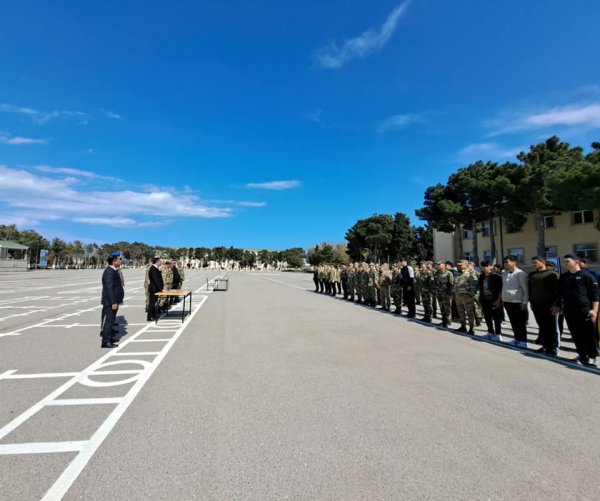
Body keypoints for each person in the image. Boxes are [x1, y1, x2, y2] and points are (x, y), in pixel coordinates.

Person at [554, 255, 599, 367]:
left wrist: (594, 310)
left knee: (588, 334)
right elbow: (559, 293)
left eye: (568, 261)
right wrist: (557, 305)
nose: (565, 263)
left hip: (585, 310)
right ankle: (582, 355)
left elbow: (595, 295)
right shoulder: (564, 277)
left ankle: (592, 356)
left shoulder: (587, 276)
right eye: (564, 262)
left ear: (577, 262)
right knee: (576, 334)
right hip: (569, 310)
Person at [529, 256, 559, 356]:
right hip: (536, 304)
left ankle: (553, 347)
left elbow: (557, 291)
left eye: (536, 262)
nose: (534, 265)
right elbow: (531, 289)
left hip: (548, 304)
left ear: (543, 262)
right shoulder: (532, 275)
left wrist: (556, 304)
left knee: (551, 327)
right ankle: (545, 345)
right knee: (542, 326)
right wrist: (532, 302)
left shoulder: (552, 274)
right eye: (533, 263)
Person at [501, 255, 529, 348]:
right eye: (504, 262)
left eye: (507, 262)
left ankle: (523, 341)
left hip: (518, 302)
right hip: (507, 301)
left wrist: (524, 302)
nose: (505, 264)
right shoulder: (504, 274)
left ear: (514, 262)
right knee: (513, 322)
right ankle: (517, 339)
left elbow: (525, 289)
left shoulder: (520, 274)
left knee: (520, 323)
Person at [100, 255, 124, 348]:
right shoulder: (109, 272)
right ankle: (105, 341)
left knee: (111, 320)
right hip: (110, 301)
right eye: (119, 260)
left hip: (114, 300)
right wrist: (113, 302)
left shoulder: (113, 270)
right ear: (114, 261)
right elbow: (109, 288)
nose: (120, 261)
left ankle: (109, 337)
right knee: (109, 321)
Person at [478, 260, 503, 341]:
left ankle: (498, 334)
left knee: (496, 318)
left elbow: (500, 290)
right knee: (487, 317)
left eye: (486, 266)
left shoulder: (496, 276)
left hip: (494, 299)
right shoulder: (481, 276)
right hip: (485, 299)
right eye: (483, 266)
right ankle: (490, 332)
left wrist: (498, 300)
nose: (485, 268)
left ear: (490, 266)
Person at [454, 260, 479, 334]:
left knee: (470, 313)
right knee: (461, 312)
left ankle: (471, 328)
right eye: (458, 265)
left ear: (466, 265)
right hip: (458, 296)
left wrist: (471, 295)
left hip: (467, 297)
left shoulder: (470, 273)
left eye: (461, 265)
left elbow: (475, 285)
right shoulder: (458, 273)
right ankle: (463, 326)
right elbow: (455, 285)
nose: (459, 266)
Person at [434, 260, 454, 328]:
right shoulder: (437, 273)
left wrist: (450, 294)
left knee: (447, 308)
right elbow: (435, 283)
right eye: (438, 264)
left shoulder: (449, 273)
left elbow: (451, 284)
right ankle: (444, 320)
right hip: (439, 293)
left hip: (446, 293)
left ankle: (448, 322)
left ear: (444, 265)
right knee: (441, 307)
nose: (438, 265)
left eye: (440, 264)